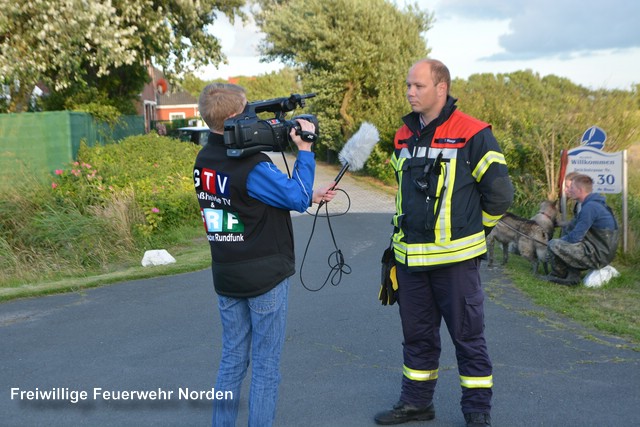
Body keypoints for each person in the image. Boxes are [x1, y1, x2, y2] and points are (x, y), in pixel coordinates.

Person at [374, 59, 513, 427]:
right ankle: (416, 404)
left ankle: (477, 412)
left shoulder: (474, 132)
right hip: (410, 262)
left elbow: (500, 195)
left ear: (442, 88)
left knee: (468, 338)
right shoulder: (403, 134)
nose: (410, 92)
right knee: (417, 338)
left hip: (455, 264)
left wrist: (473, 232)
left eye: (418, 86)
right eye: (408, 85)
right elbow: (404, 195)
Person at [193, 83, 336, 426]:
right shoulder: (253, 165)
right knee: (266, 367)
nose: (251, 118)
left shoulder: (204, 159)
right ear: (231, 119)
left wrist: (302, 193)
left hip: (227, 273)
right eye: (247, 112)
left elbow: (246, 199)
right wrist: (304, 149)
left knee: (231, 361)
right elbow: (298, 197)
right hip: (265, 277)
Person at [546, 174, 618, 286]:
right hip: (599, 250)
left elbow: (575, 237)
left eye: (572, 188)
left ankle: (558, 276)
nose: (569, 190)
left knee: (554, 245)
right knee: (565, 233)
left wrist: (552, 244)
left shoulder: (590, 207)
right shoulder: (593, 204)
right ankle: (572, 275)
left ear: (580, 190)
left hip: (598, 255)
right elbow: (572, 227)